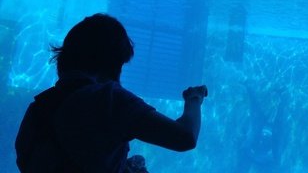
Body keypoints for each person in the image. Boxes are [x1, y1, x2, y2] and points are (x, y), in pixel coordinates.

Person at [15, 13, 208, 173]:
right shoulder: (108, 98)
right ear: (113, 62)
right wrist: (194, 99)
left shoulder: (39, 108)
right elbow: (185, 138)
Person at [236, 83, 288, 173]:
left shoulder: (250, 155)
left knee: (256, 109)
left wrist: (242, 139)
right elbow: (278, 152)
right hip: (270, 134)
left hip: (261, 131)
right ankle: (282, 96)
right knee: (277, 115)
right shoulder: (267, 159)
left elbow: (245, 144)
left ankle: (249, 88)